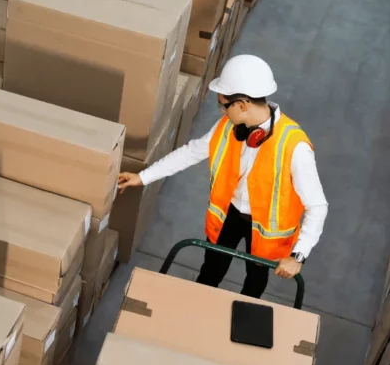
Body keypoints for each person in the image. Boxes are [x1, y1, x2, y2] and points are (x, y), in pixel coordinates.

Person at [118, 55, 328, 299]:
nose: (222, 111)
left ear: (242, 104)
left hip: (265, 232)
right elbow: (190, 153)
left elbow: (317, 206)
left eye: (224, 105)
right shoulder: (228, 129)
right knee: (210, 272)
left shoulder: (294, 147)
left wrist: (298, 256)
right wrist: (142, 177)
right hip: (229, 215)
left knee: (254, 284)